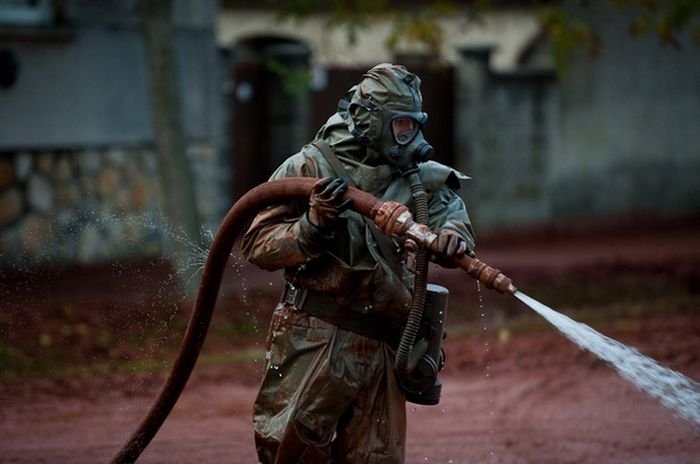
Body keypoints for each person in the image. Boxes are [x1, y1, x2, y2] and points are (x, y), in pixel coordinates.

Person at [241, 63, 475, 463]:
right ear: (370, 121)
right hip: (314, 338)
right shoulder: (309, 167)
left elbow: (449, 214)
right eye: (401, 125)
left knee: (377, 458)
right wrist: (312, 226)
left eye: (414, 125)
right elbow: (258, 244)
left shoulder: (419, 177)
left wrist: (454, 236)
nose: (411, 137)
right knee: (293, 452)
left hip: (385, 344)